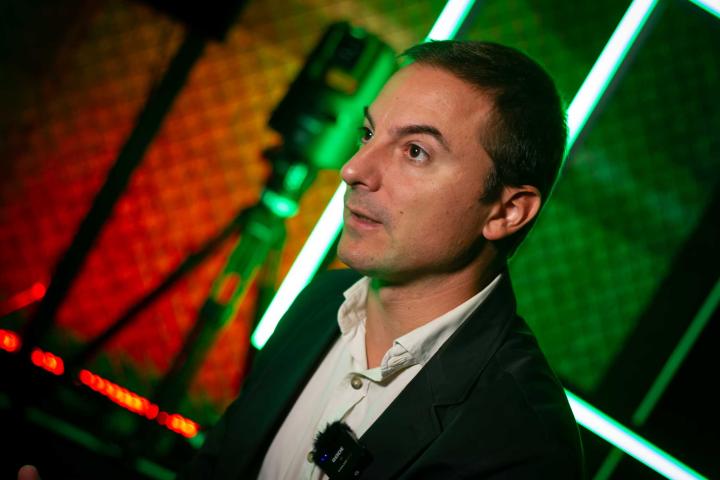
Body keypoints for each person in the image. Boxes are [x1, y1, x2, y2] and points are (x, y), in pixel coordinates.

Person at [178, 40, 584, 479]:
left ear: (507, 212)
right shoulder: (321, 303)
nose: (353, 170)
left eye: (415, 151)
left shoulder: (523, 443)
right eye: (368, 134)